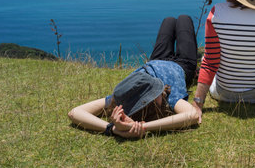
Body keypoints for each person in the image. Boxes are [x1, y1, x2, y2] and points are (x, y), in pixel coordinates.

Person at [68, 15, 200, 138]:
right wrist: (144, 127)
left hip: (156, 59)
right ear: (153, 102)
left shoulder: (123, 95)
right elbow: (192, 115)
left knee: (169, 21)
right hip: (182, 65)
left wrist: (111, 128)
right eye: (155, 90)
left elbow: (74, 112)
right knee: (184, 19)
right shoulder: (168, 96)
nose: (160, 86)